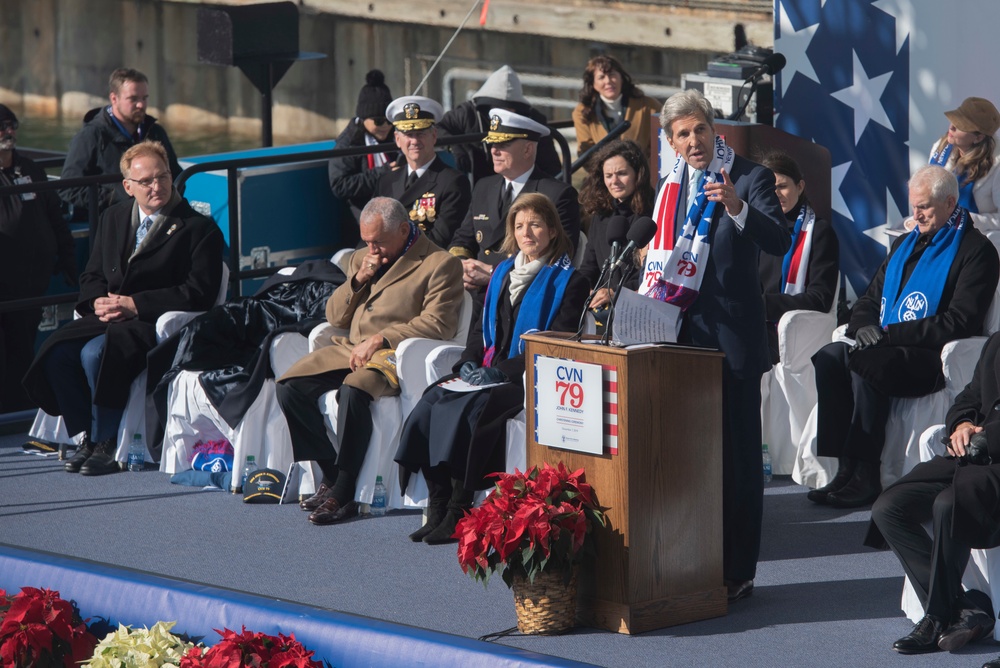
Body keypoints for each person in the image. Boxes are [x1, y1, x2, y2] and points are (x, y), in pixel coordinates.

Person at [639, 89, 790, 602]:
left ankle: (739, 570)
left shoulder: (749, 177)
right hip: (681, 337)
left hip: (734, 341)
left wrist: (739, 207)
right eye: (682, 133)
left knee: (737, 460)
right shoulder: (669, 187)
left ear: (713, 129)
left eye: (700, 128)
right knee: (692, 456)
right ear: (671, 142)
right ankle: (695, 558)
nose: (693, 140)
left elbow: (778, 240)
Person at [395, 193, 589, 544]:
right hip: (483, 371)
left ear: (551, 230)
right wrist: (468, 363)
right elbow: (476, 332)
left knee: (470, 409)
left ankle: (460, 508)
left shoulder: (569, 281)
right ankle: (437, 505)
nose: (526, 232)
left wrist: (502, 372)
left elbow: (555, 345)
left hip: (525, 377)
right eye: (519, 225)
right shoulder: (501, 273)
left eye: (535, 224)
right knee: (431, 400)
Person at [21, 140, 224, 475]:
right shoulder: (113, 218)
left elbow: (198, 293)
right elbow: (93, 273)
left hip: (152, 322)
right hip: (107, 316)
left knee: (94, 355)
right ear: (128, 187)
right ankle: (85, 434)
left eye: (162, 177)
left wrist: (134, 304)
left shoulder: (198, 229)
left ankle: (106, 440)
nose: (156, 186)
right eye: (146, 181)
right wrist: (96, 302)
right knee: (56, 353)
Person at [809, 165, 1000, 509]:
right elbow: (869, 298)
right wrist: (864, 326)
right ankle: (843, 467)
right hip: (889, 344)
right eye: (913, 206)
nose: (916, 214)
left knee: (866, 361)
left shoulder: (977, 251)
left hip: (928, 353)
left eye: (925, 206)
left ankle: (867, 472)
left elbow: (960, 321)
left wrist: (887, 333)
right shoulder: (904, 244)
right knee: (830, 355)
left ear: (950, 202)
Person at [277, 197, 464, 525]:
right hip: (349, 348)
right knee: (291, 386)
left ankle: (344, 492)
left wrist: (382, 338)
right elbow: (334, 315)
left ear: (404, 230)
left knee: (354, 390)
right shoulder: (362, 258)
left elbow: (440, 323)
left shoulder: (439, 263)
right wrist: (358, 279)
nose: (372, 249)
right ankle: (329, 472)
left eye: (378, 241)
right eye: (366, 242)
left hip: (392, 355)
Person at [867, 332, 1000, 655]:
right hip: (968, 457)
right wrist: (963, 425)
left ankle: (937, 615)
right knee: (889, 507)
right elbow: (969, 398)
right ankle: (964, 608)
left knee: (947, 504)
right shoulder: (997, 342)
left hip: (995, 461)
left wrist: (988, 437)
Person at [449, 108, 580, 296]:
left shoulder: (557, 194)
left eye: (503, 144)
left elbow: (560, 256)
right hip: (475, 292)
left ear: (528, 149)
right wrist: (462, 264)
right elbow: (463, 237)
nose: (494, 150)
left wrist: (495, 274)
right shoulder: (484, 186)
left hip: (521, 293)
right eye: (492, 143)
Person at [0, 104, 78, 412]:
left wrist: (68, 257)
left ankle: (20, 409)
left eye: (12, 125)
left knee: (23, 348)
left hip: (31, 281)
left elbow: (56, 218)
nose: (8, 132)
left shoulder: (30, 169)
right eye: (1, 126)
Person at [61, 68, 183, 217]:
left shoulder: (155, 132)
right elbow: (68, 188)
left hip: (159, 215)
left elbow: (176, 175)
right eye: (133, 99)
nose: (141, 105)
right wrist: (119, 198)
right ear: (114, 98)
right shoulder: (91, 135)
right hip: (113, 218)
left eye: (144, 98)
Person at [757, 151, 840, 364]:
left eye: (782, 186)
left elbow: (821, 298)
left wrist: (763, 305)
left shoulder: (819, 233)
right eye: (769, 188)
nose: (775, 194)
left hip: (787, 335)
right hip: (752, 323)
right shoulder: (753, 229)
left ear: (800, 186)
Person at [374, 95, 471, 249]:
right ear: (397, 139)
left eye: (420, 133)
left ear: (434, 136)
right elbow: (374, 230)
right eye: (408, 135)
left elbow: (439, 239)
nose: (414, 141)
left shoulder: (453, 182)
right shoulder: (386, 181)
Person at [437, 65, 562, 184]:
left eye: (509, 109)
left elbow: (550, 164)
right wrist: (455, 147)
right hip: (478, 182)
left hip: (523, 184)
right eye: (497, 108)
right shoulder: (466, 113)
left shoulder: (533, 120)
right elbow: (438, 128)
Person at [577, 139, 654, 314]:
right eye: (608, 175)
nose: (614, 181)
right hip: (600, 308)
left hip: (638, 307)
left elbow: (654, 271)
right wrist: (585, 289)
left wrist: (615, 291)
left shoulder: (654, 212)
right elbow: (589, 265)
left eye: (621, 173)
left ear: (637, 174)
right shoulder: (601, 214)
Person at [328, 69, 397, 239]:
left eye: (389, 120)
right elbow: (340, 185)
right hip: (361, 219)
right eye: (379, 121)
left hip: (395, 214)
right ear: (363, 117)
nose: (385, 126)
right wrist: (383, 173)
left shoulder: (397, 136)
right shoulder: (349, 142)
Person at [925, 97, 1000, 231]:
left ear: (978, 138)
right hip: (939, 231)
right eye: (954, 120)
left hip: (980, 240)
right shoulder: (940, 149)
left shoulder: (996, 166)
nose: (951, 127)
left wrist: (964, 220)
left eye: (960, 126)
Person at [572, 55, 660, 161]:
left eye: (612, 74)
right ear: (593, 84)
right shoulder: (582, 112)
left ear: (621, 78)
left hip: (644, 174)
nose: (608, 81)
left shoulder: (649, 106)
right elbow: (586, 153)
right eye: (601, 77)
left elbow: (660, 145)